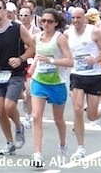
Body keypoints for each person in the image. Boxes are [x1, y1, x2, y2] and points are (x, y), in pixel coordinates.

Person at [0, 0, 35, 155]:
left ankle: (19, 128)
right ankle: (9, 142)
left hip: (15, 74)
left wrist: (21, 59)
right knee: (0, 110)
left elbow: (32, 47)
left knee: (9, 106)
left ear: (6, 11)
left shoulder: (17, 28)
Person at [28, 9, 73, 167]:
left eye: (49, 21)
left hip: (57, 83)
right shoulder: (37, 37)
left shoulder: (59, 38)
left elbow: (70, 61)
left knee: (58, 120)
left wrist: (51, 61)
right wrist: (32, 67)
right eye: (43, 21)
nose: (46, 24)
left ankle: (62, 146)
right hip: (39, 81)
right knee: (35, 116)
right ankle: (37, 154)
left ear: (56, 23)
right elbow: (37, 54)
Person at [65, 7, 101, 160]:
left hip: (94, 76)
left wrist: (95, 60)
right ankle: (80, 147)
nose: (76, 21)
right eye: (73, 18)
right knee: (77, 109)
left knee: (91, 116)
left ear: (84, 18)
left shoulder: (94, 32)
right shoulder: (67, 33)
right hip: (77, 75)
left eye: (78, 18)